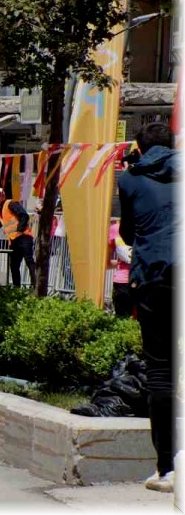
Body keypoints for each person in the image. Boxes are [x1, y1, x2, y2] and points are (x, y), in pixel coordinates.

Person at [117, 122, 177, 493]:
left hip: (155, 276)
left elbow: (126, 232)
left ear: (139, 147)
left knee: (161, 370)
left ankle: (168, 468)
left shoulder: (129, 179)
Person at [0, 187, 34, 287]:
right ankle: (17, 288)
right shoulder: (0, 213)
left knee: (29, 261)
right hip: (14, 241)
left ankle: (36, 287)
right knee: (14, 266)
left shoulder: (10, 203)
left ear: (3, 195)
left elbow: (24, 215)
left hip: (24, 237)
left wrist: (20, 230)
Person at [108, 220, 133, 318]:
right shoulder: (147, 224)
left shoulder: (115, 228)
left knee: (122, 318)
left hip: (122, 280)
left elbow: (106, 262)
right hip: (140, 278)